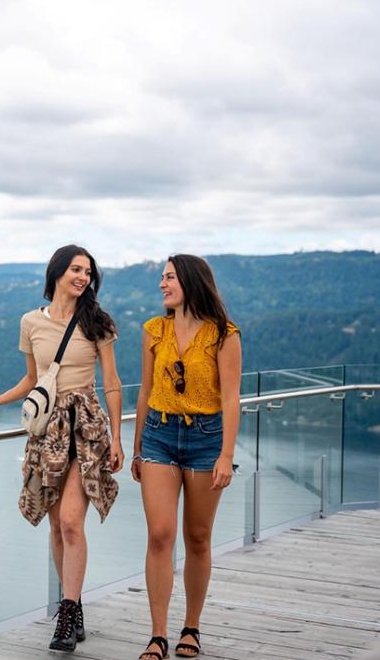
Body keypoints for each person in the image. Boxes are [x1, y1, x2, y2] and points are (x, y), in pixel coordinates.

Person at [0, 244, 125, 653]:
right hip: (48, 431)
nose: (83, 277)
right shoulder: (30, 323)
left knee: (72, 520)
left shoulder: (97, 323)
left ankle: (68, 611)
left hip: (86, 428)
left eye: (88, 272)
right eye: (76, 269)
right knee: (56, 525)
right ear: (57, 272)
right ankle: (73, 607)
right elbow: (34, 380)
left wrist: (118, 439)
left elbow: (111, 382)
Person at [131, 254, 241, 660]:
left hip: (206, 439)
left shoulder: (223, 335)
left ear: (191, 281)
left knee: (198, 537)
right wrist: (139, 446)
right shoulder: (153, 331)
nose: (162, 284)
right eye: (162, 278)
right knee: (160, 535)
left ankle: (191, 626)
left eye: (170, 277)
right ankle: (157, 635)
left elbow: (231, 398)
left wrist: (226, 455)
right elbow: (143, 391)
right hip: (159, 435)